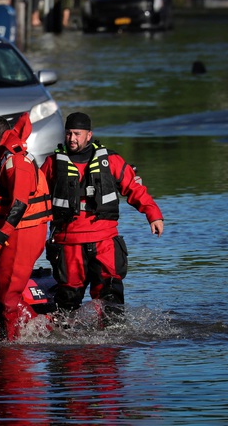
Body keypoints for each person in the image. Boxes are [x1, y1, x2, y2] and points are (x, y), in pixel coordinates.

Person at [40, 112, 164, 323]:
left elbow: (134, 189)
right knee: (67, 304)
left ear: (89, 135)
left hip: (104, 242)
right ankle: (68, 350)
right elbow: (35, 197)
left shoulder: (111, 161)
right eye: (68, 133)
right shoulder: (52, 164)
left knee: (111, 301)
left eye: (77, 134)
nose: (72, 139)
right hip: (69, 244)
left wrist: (153, 215)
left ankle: (111, 350)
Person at [0, 113, 52, 340]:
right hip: (15, 233)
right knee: (6, 295)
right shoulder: (6, 159)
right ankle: (43, 333)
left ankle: (11, 349)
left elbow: (19, 205)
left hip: (21, 234)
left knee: (6, 299)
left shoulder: (17, 162)